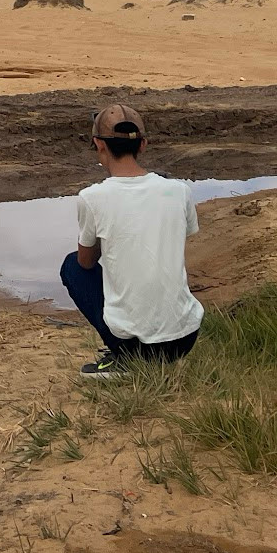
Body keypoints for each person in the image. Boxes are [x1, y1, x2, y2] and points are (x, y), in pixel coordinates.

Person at [59, 103, 202, 379]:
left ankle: (126, 360)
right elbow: (177, 237)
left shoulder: (92, 197)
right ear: (143, 145)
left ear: (99, 145)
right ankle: (136, 348)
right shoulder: (178, 191)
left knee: (72, 267)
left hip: (139, 345)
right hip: (185, 337)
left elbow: (86, 262)